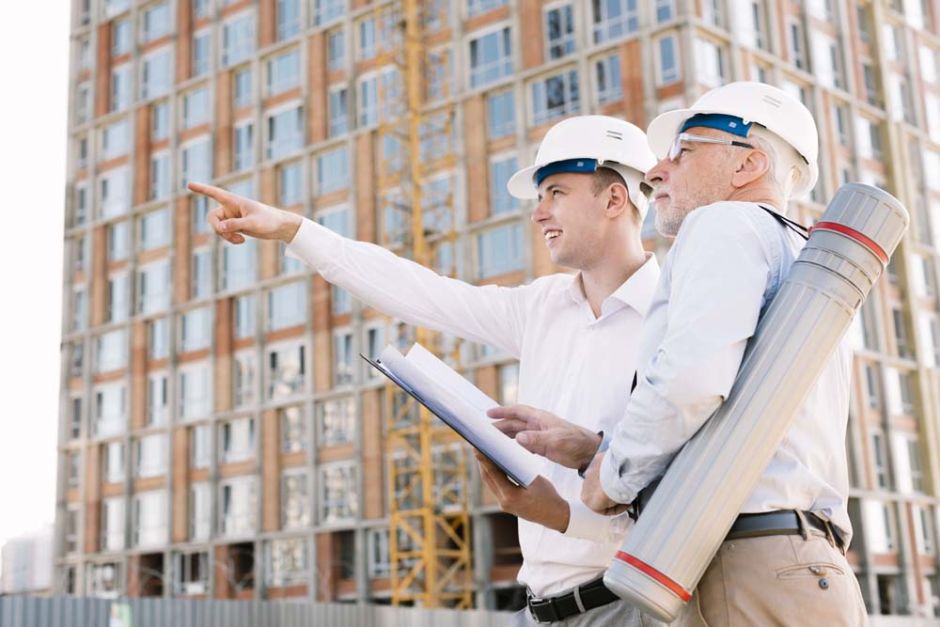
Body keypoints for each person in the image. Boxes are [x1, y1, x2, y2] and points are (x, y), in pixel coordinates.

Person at [189, 115, 670, 625]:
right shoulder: (541, 308)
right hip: (536, 610)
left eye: (555, 192)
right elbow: (420, 292)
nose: (539, 213)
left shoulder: (674, 320)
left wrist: (564, 516)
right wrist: (292, 229)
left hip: (622, 608)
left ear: (615, 199)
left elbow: (682, 501)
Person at [497, 82, 869, 625]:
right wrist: (590, 449)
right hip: (807, 565)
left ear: (748, 165)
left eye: (685, 151)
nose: (656, 171)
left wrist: (610, 475)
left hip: (748, 566)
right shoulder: (802, 258)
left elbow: (691, 381)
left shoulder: (724, 223)